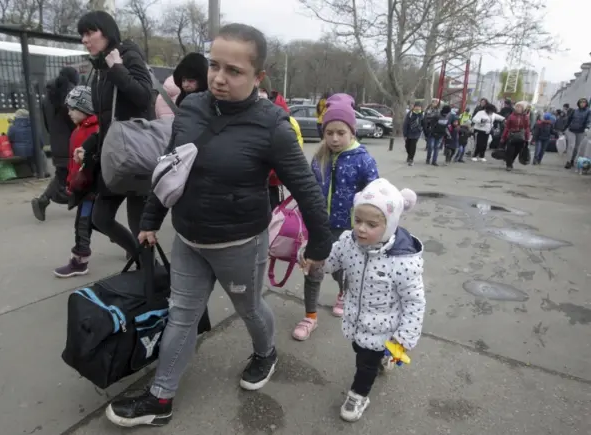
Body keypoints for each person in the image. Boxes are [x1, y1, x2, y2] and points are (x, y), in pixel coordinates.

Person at [104, 23, 333, 427]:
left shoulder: (273, 126)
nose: (219, 78)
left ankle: (266, 353)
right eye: (214, 66)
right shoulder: (191, 108)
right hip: (189, 238)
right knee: (181, 315)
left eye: (234, 70)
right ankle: (161, 400)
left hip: (241, 244)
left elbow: (309, 190)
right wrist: (152, 219)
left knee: (249, 308)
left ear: (257, 76)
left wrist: (318, 248)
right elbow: (170, 169)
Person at [301, 178, 425, 422]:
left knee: (364, 364)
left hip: (385, 325)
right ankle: (383, 358)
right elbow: (331, 262)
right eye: (357, 220)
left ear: (389, 225)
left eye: (371, 224)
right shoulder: (349, 242)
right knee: (360, 349)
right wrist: (313, 261)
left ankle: (359, 395)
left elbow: (414, 302)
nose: (361, 228)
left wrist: (404, 337)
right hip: (356, 319)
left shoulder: (403, 261)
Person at [292, 94, 378, 342]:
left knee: (343, 271)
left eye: (341, 132)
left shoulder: (363, 159)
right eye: (329, 132)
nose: (335, 138)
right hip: (319, 226)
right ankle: (310, 316)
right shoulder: (319, 157)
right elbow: (308, 188)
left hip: (349, 230)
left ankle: (343, 292)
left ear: (352, 131)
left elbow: (374, 194)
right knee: (313, 269)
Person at [73, 10, 153, 260]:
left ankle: (152, 283)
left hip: (136, 154)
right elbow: (107, 119)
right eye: (82, 35)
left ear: (106, 32)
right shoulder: (98, 69)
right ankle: (140, 260)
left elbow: (143, 97)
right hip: (113, 155)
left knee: (140, 226)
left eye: (89, 33)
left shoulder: (128, 55)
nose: (85, 40)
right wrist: (88, 144)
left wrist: (117, 68)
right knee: (101, 218)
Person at [54, 86, 99, 277]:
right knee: (94, 223)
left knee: (83, 223)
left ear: (86, 108)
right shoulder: (80, 129)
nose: (70, 112)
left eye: (73, 108)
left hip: (89, 189)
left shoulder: (94, 131)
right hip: (82, 187)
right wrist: (70, 180)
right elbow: (74, 162)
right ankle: (131, 245)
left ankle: (80, 261)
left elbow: (92, 162)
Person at [31, 67, 79, 221]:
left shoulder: (47, 97)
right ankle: (44, 201)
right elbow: (74, 121)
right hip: (71, 142)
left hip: (57, 142)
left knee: (62, 174)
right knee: (67, 174)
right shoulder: (70, 95)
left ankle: (49, 200)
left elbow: (46, 122)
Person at [259, 76, 304, 210]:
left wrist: (270, 171)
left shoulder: (284, 118)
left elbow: (293, 154)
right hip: (251, 185)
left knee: (276, 213)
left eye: (261, 90)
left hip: (274, 182)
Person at [501, 101, 531, 171]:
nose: (518, 108)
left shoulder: (526, 117)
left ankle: (511, 161)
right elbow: (507, 127)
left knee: (516, 151)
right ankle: (508, 165)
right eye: (517, 107)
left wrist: (527, 138)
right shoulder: (511, 116)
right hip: (511, 135)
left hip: (521, 136)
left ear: (523, 109)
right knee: (510, 151)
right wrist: (503, 137)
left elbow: (527, 128)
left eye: (520, 107)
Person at [563, 98, 590, 169]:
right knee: (571, 146)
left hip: (581, 131)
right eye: (581, 102)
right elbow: (569, 119)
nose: (582, 104)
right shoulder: (574, 111)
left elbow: (589, 120)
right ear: (578, 103)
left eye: (584, 102)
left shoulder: (588, 111)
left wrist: (587, 127)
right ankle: (568, 161)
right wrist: (565, 127)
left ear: (586, 104)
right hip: (572, 130)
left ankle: (572, 160)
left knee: (576, 147)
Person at [402, 101, 423, 166]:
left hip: (417, 132)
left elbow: (424, 123)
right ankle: (409, 155)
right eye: (417, 107)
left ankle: (411, 159)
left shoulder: (422, 114)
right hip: (409, 132)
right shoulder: (410, 114)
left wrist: (425, 131)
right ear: (414, 107)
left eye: (419, 107)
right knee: (407, 146)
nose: (418, 108)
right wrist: (405, 134)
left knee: (413, 146)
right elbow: (405, 124)